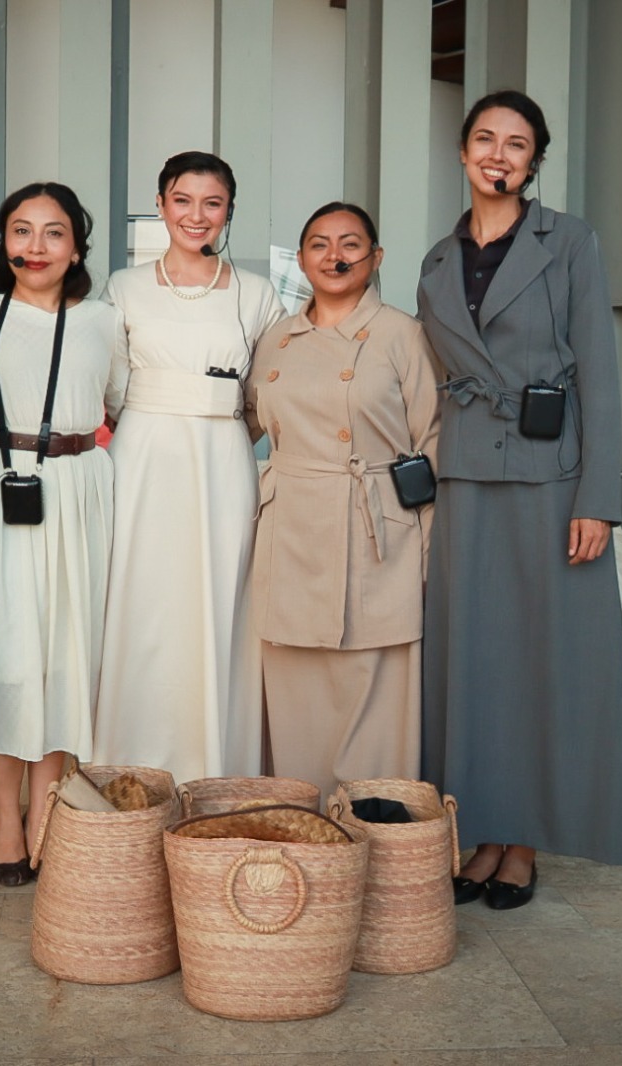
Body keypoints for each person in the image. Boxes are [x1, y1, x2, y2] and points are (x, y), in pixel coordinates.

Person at [417, 90, 622, 910]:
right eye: (485, 139)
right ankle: (480, 829)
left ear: (534, 161)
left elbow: (602, 377)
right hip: (468, 476)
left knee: (543, 663)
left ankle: (524, 843)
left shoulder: (569, 240)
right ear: (465, 152)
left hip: (552, 478)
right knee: (474, 662)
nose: (498, 155)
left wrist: (598, 499)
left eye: (517, 144)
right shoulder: (437, 261)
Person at [92, 151, 283, 786]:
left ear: (229, 210)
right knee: (141, 603)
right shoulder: (123, 286)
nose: (195, 216)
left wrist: (223, 423)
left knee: (220, 601)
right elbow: (111, 386)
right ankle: (131, 768)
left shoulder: (258, 294)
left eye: (212, 203)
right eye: (182, 200)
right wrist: (153, 422)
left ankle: (215, 772)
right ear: (161, 203)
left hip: (224, 462)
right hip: (142, 458)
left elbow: (269, 392)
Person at [244, 202, 440, 799]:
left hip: (377, 530)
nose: (335, 256)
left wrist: (428, 550)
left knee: (377, 685)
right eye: (320, 245)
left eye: (351, 244)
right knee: (297, 686)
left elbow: (431, 443)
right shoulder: (276, 337)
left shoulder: (403, 334)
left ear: (376, 258)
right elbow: (245, 424)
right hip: (291, 531)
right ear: (301, 260)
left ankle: (379, 834)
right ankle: (305, 824)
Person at [0, 182, 128, 886]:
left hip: (75, 487)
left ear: (77, 246)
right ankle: (6, 813)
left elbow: (122, 405)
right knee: (3, 652)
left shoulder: (104, 321)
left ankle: (47, 810)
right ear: (4, 242)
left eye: (53, 232)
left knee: (63, 649)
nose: (36, 247)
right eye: (21, 231)